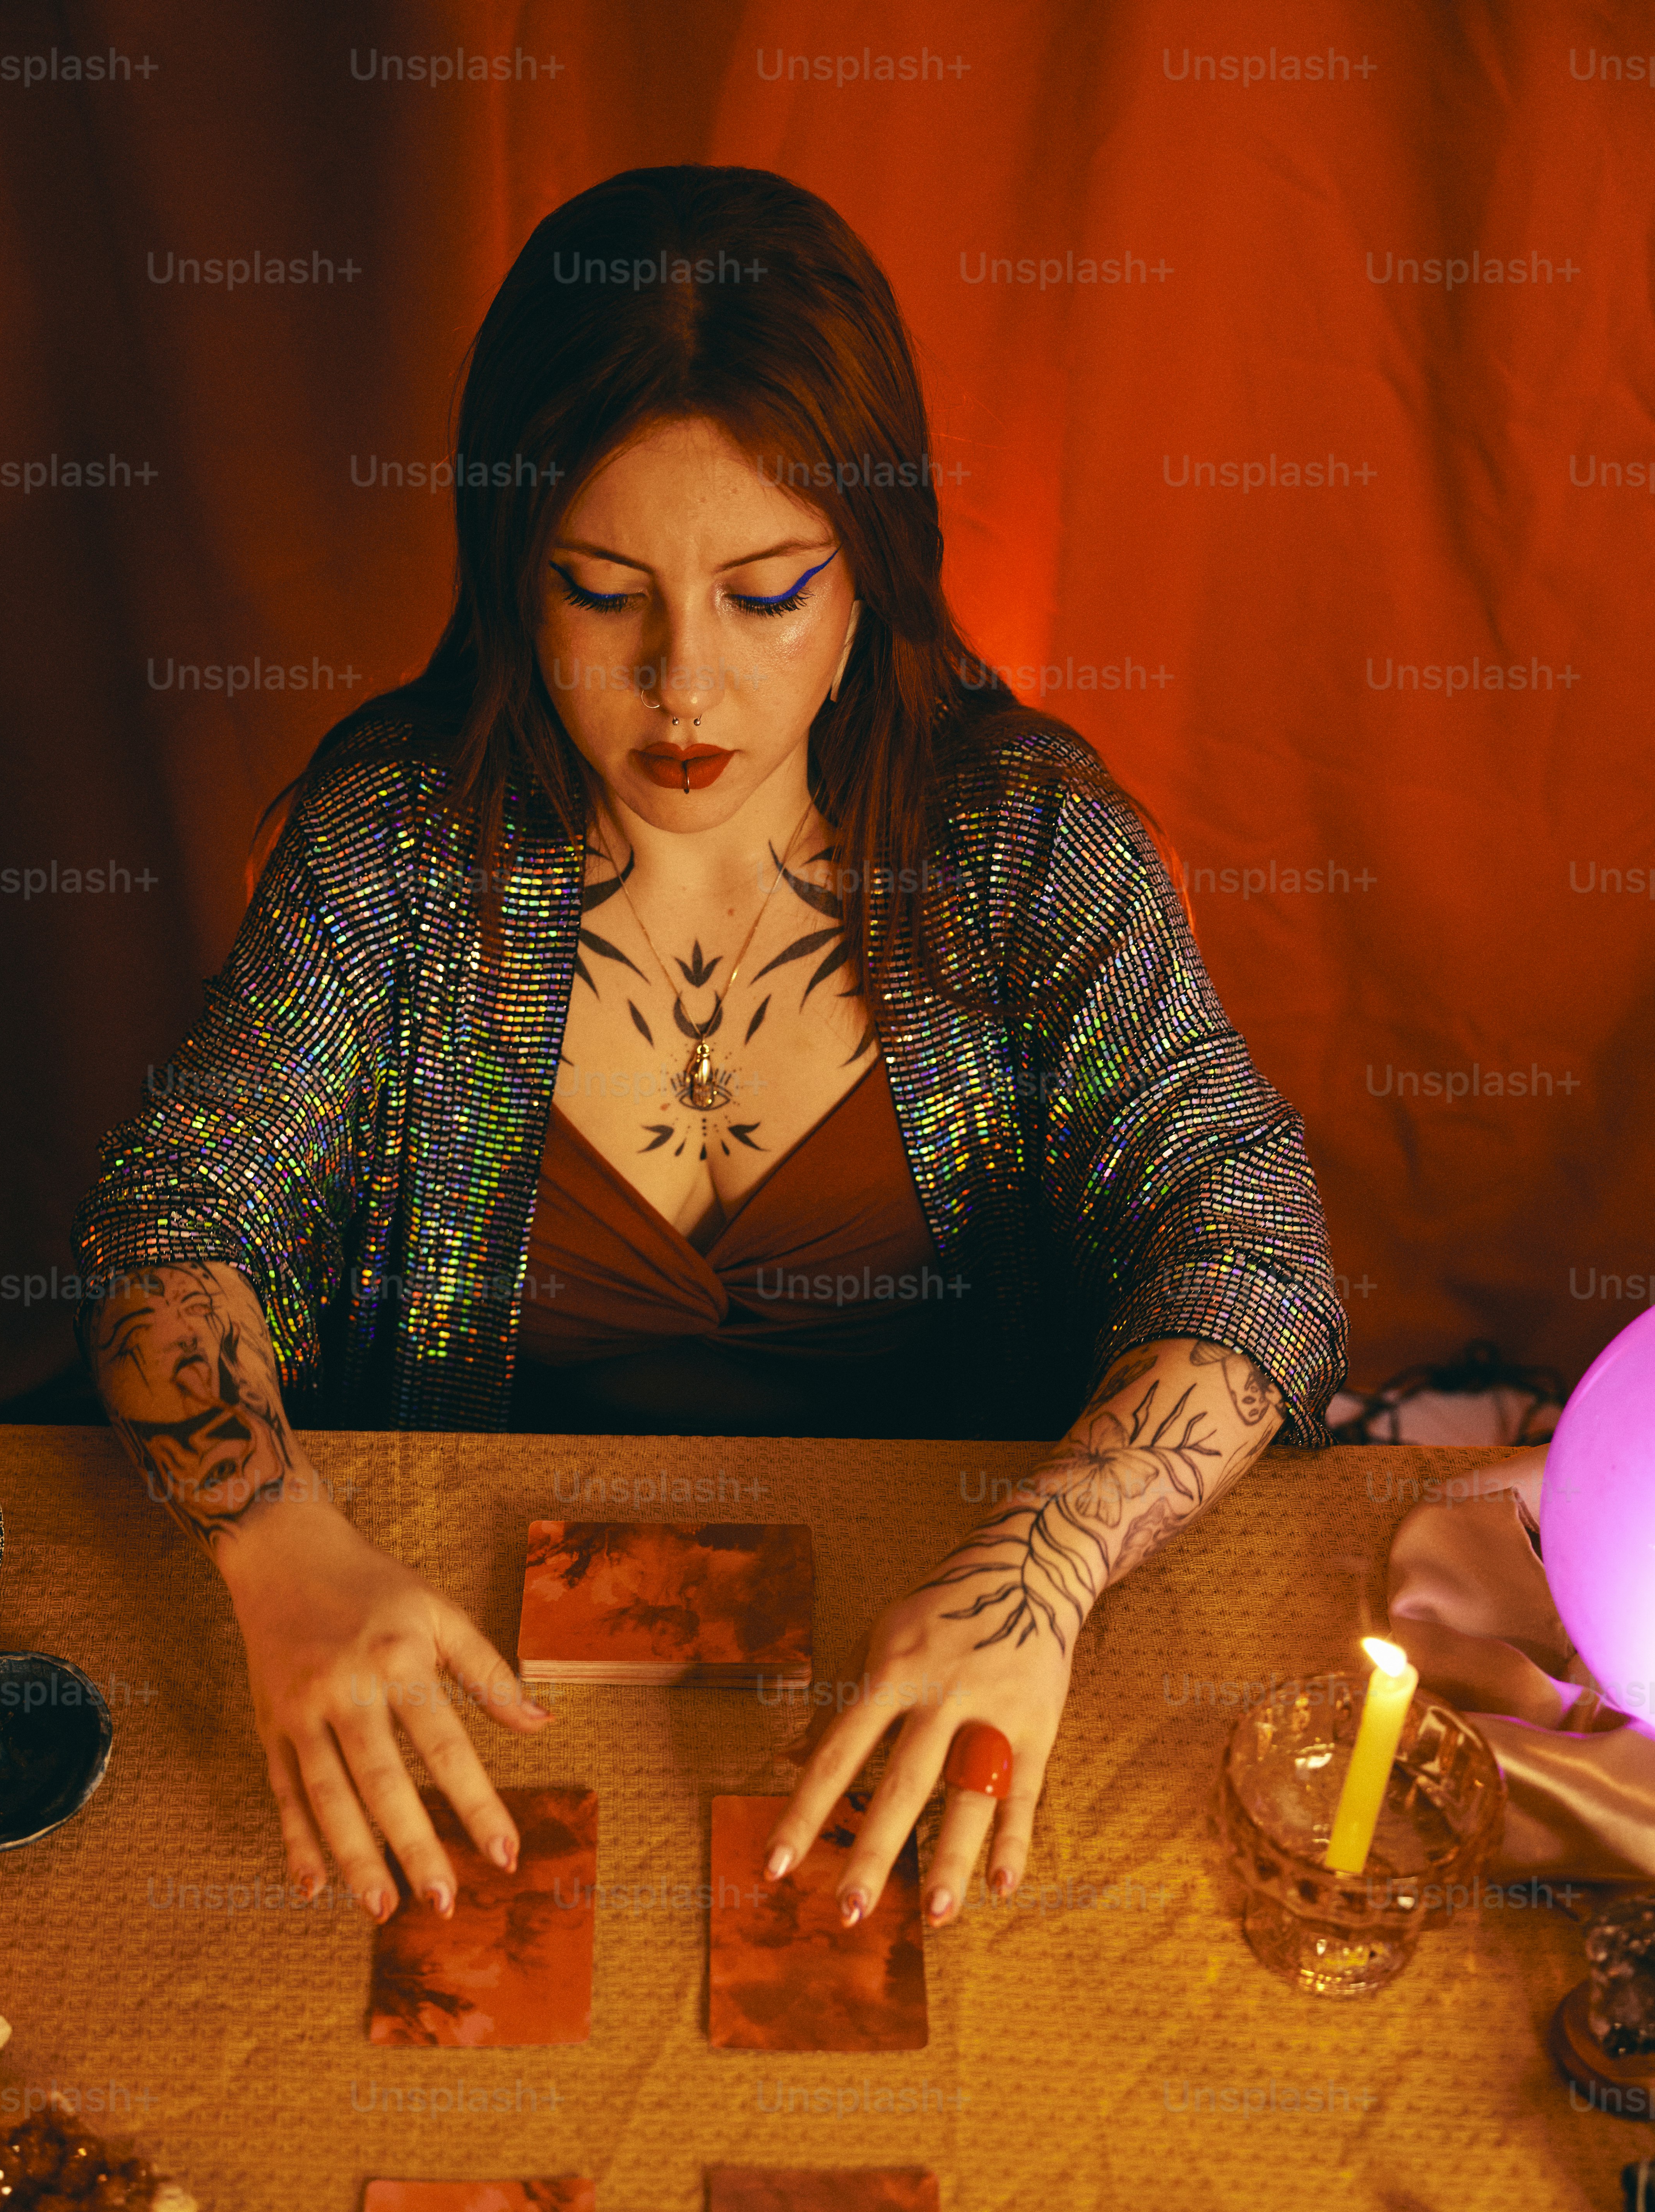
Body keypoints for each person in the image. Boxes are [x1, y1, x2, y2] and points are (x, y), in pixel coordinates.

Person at [72, 165, 1347, 1938]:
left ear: (872, 574)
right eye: (605, 595)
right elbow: (171, 1214)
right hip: (474, 1697)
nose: (685, 689)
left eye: (763, 595)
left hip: (939, 1679)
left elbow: (1254, 1239)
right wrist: (280, 1549)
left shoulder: (1023, 845)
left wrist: (1043, 1565)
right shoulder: (398, 850)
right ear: (514, 572)